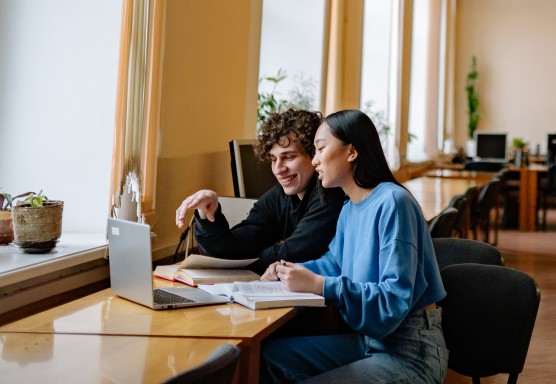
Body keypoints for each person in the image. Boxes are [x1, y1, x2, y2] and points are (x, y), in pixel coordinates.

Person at [258, 108, 448, 384]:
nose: (315, 161)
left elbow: (392, 300)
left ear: (351, 152)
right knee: (266, 358)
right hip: (370, 341)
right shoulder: (350, 207)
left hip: (411, 352)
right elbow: (334, 263)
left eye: (321, 149)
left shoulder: (393, 202)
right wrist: (288, 269)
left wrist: (321, 285)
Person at [174, 108, 342, 274]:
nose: (278, 169)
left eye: (289, 157)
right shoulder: (278, 197)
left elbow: (295, 253)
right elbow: (233, 250)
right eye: (274, 159)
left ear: (314, 155)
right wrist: (208, 214)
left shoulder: (330, 192)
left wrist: (249, 259)